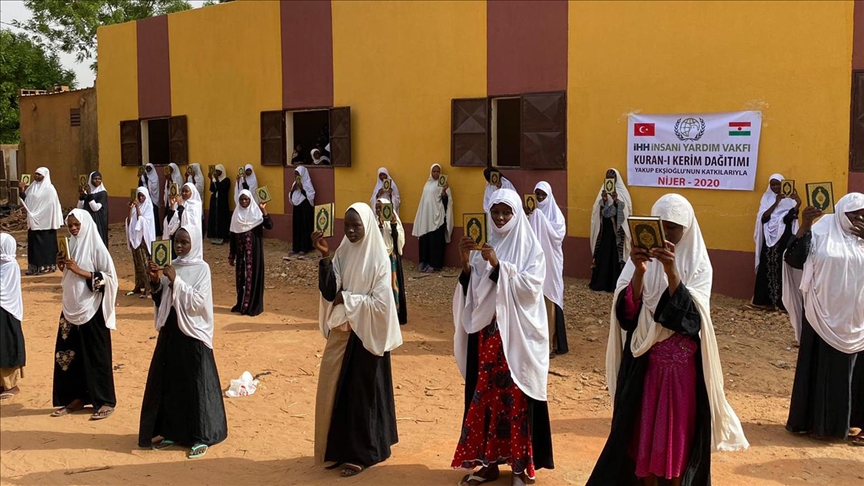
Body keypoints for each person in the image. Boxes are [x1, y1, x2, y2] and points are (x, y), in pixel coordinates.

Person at [587, 194, 748, 486]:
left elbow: (692, 320)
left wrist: (672, 272)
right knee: (642, 435)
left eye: (673, 228)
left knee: (677, 440)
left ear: (686, 229)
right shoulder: (637, 262)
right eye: (660, 226)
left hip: (682, 373)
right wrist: (639, 272)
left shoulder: (699, 266)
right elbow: (626, 315)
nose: (666, 234)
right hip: (644, 367)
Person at [452, 189, 554, 486]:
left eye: (505, 212)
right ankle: (489, 463)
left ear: (516, 213)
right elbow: (475, 291)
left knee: (516, 400)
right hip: (488, 337)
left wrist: (500, 266)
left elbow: (531, 289)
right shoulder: (484, 244)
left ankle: (520, 467)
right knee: (486, 399)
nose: (499, 218)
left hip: (517, 339)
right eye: (495, 212)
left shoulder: (531, 248)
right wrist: (466, 261)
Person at [312, 203, 402, 478]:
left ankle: (362, 454)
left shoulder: (379, 259)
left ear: (367, 226)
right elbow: (330, 292)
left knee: (362, 396)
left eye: (356, 226)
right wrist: (325, 258)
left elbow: (382, 305)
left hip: (367, 336)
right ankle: (340, 450)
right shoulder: (342, 253)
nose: (351, 231)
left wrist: (348, 299)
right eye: (347, 226)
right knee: (336, 391)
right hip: (343, 334)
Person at [139, 224, 228, 459]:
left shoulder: (202, 269)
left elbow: (198, 303)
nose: (179, 246)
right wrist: (156, 280)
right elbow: (162, 299)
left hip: (193, 333)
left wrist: (176, 280)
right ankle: (174, 431)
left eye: (184, 242)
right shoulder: (172, 265)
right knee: (172, 381)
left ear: (194, 243)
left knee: (196, 383)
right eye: (176, 241)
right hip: (171, 330)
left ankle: (201, 435)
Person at [784, 193, 864, 445]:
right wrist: (806, 225)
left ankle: (857, 422)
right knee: (822, 369)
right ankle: (818, 424)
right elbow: (794, 259)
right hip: (822, 314)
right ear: (841, 213)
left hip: (858, 319)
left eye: (863, 214)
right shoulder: (821, 232)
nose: (859, 219)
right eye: (854, 214)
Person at [52, 209, 119, 421]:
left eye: (77, 225)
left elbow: (110, 278)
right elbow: (69, 276)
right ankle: (76, 397)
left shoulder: (97, 247)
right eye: (70, 225)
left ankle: (105, 400)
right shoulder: (71, 245)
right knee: (70, 353)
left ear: (86, 224)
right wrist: (62, 265)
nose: (73, 228)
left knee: (96, 354)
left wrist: (80, 270)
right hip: (71, 306)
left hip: (92, 307)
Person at [528, 181, 569, 357]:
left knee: (550, 299)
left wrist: (539, 218)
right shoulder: (533, 214)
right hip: (536, 262)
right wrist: (530, 217)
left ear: (549, 196)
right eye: (537, 195)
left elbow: (558, 235)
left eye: (543, 195)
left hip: (551, 263)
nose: (540, 198)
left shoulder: (556, 216)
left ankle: (551, 344)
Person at [752, 174, 800, 310]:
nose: (775, 187)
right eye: (772, 184)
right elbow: (764, 217)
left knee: (782, 268)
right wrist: (776, 203)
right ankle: (764, 301)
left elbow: (790, 218)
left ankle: (782, 303)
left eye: (778, 184)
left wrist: (798, 203)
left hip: (784, 238)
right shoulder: (766, 198)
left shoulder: (790, 200)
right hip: (768, 238)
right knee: (766, 266)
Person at [229, 190, 273, 317]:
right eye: (241, 199)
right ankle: (241, 304)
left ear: (250, 200)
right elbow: (232, 237)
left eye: (246, 199)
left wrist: (263, 210)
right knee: (241, 279)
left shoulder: (256, 215)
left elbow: (269, 225)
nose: (244, 201)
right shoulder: (236, 216)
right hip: (241, 255)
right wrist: (232, 255)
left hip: (254, 255)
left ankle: (253, 307)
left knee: (253, 278)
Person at [589, 168, 633, 292]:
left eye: (612, 178)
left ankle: (615, 284)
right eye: (608, 177)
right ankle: (600, 283)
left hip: (617, 234)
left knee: (615, 257)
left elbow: (625, 213)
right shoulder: (602, 193)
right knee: (603, 256)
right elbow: (597, 213)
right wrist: (603, 201)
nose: (610, 180)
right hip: (605, 232)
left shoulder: (622, 194)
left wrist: (616, 201)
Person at [18, 167, 63, 275]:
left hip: (46, 223)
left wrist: (38, 215)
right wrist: (21, 190)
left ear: (45, 176)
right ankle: (34, 267)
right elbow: (26, 201)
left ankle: (46, 267)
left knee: (46, 246)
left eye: (39, 175)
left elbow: (51, 206)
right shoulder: (32, 187)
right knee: (34, 245)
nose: (37, 176)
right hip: (33, 221)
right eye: (36, 174)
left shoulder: (50, 189)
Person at [412, 163, 453, 273]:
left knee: (436, 241)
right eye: (434, 171)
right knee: (425, 240)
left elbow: (447, 201)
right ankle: (424, 261)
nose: (436, 173)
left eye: (438, 171)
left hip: (437, 217)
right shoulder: (427, 184)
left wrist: (444, 191)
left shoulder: (443, 185)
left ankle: (435, 264)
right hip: (426, 217)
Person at [0, 233, 25, 401]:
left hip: (6, 311)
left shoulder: (9, 266)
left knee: (6, 346)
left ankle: (11, 385)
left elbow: (3, 290)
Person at [376, 197, 407, 325]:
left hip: (390, 257)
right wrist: (380, 226)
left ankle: (394, 312)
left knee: (393, 285)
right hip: (378, 258)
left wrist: (393, 225)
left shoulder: (395, 223)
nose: (378, 211)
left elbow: (398, 240)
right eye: (377, 208)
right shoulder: (374, 223)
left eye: (381, 208)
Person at [125, 187, 156, 298]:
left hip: (143, 240)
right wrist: (130, 209)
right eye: (139, 196)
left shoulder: (148, 207)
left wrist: (137, 207)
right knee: (137, 263)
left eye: (143, 196)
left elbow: (141, 221)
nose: (141, 198)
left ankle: (148, 287)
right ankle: (138, 285)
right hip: (135, 238)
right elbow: (129, 221)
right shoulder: (134, 207)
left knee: (144, 264)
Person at [77, 171, 110, 247]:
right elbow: (79, 207)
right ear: (90, 180)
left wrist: (90, 195)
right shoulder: (86, 192)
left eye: (99, 179)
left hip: (97, 221)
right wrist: (81, 196)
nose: (97, 180)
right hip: (87, 219)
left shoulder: (103, 193)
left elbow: (95, 208)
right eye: (95, 179)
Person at [289, 166, 315, 256]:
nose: (296, 176)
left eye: (298, 174)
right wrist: (293, 190)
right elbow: (291, 196)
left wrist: (302, 189)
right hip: (297, 208)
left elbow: (311, 196)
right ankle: (296, 248)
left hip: (305, 208)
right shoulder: (294, 183)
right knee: (297, 227)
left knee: (304, 227)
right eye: (295, 174)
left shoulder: (307, 183)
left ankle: (305, 247)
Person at [207, 164, 231, 245]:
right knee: (214, 218)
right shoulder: (215, 180)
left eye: (218, 171)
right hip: (214, 201)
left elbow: (221, 188)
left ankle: (222, 236)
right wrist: (211, 179)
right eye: (216, 171)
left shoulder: (226, 180)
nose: (216, 173)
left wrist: (216, 180)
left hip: (222, 202)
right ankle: (214, 236)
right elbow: (212, 189)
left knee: (222, 219)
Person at [140, 163, 163, 238]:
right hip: (147, 199)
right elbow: (143, 186)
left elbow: (154, 188)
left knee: (155, 215)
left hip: (153, 199)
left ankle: (157, 231)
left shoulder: (155, 177)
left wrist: (148, 180)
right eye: (147, 168)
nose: (148, 170)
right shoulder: (144, 176)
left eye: (150, 168)